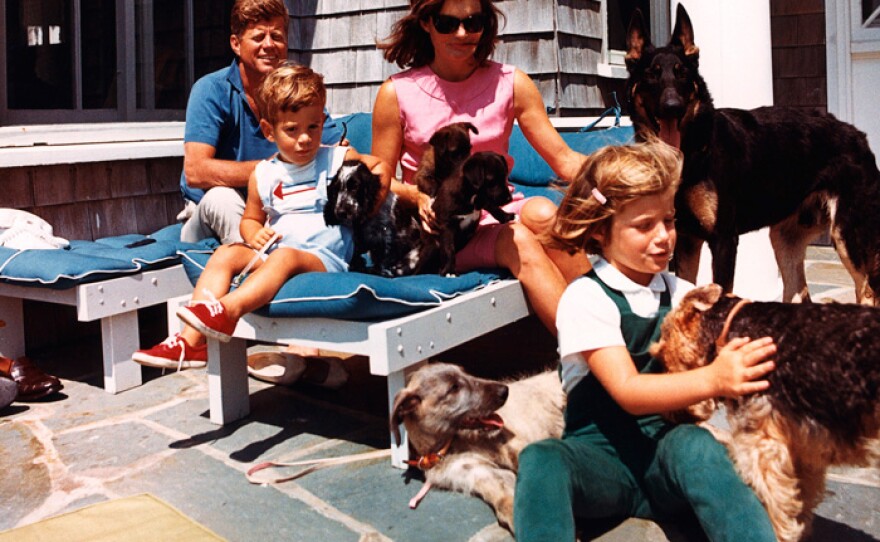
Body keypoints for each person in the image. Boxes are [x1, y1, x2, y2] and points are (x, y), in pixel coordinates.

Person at [513, 140, 779, 541]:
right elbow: (628, 390)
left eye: (669, 221)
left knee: (698, 445)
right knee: (541, 458)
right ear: (601, 232)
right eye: (644, 225)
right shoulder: (586, 298)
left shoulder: (680, 292)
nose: (663, 237)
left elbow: (734, 326)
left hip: (663, 456)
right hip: (600, 464)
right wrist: (715, 379)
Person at [135, 65, 392, 388]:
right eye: (292, 129)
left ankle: (227, 312)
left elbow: (380, 167)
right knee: (227, 255)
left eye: (313, 127)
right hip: (277, 250)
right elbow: (251, 219)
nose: (304, 139)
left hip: (324, 258)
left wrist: (366, 209)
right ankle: (190, 341)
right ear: (269, 131)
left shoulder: (336, 159)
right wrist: (253, 234)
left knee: (285, 258)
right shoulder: (264, 174)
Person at [372, 0, 590, 332]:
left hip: (496, 208)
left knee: (547, 215)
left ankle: (616, 328)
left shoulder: (511, 83)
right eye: (449, 24)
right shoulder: (396, 93)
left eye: (473, 22)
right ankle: (594, 354)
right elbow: (380, 181)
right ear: (428, 22)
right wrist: (417, 198)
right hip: (441, 231)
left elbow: (563, 159)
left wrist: (628, 178)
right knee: (518, 240)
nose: (463, 33)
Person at [179, 0, 344, 245]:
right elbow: (196, 171)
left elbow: (337, 149)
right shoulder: (211, 89)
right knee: (221, 198)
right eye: (258, 37)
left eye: (276, 36)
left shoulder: (294, 93)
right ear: (236, 44)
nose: (269, 45)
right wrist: (276, 169)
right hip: (210, 213)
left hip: (278, 210)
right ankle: (262, 268)